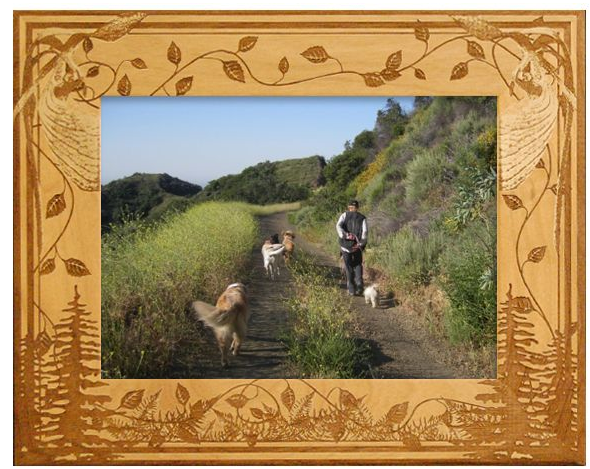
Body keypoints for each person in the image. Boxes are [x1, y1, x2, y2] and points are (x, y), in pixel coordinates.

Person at [336, 200, 368, 296]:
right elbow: (365, 232)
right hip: (357, 246)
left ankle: (351, 289)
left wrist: (344, 235)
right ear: (358, 207)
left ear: (348, 207)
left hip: (345, 246)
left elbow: (338, 226)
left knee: (348, 266)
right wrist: (361, 243)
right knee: (358, 265)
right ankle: (359, 285)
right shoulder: (362, 218)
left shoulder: (344, 215)